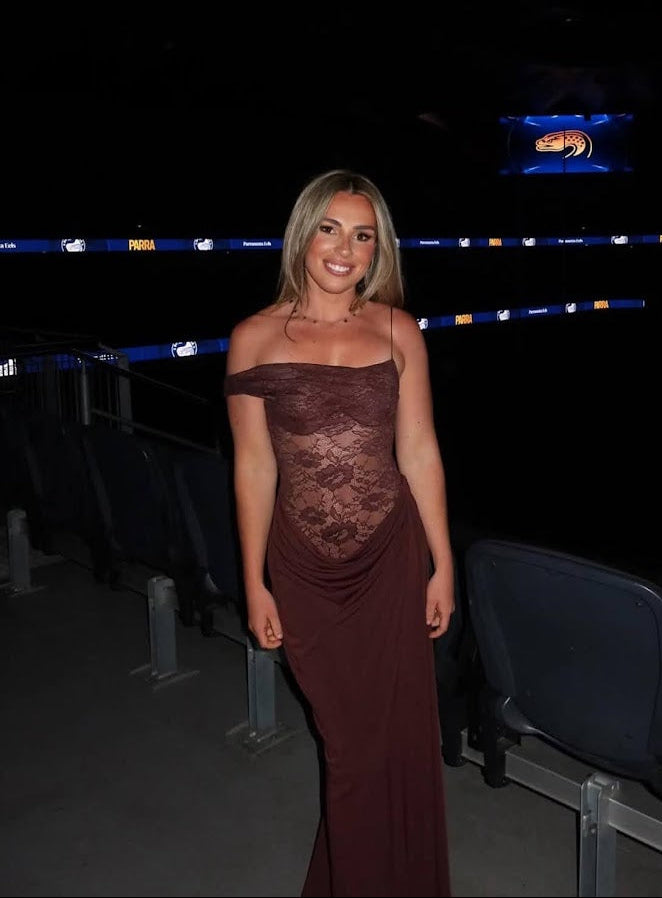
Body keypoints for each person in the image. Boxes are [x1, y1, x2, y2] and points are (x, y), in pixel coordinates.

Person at [224, 169, 455, 897]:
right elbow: (254, 466)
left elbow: (419, 449)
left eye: (362, 236)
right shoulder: (253, 336)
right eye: (329, 229)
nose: (344, 250)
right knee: (349, 746)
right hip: (303, 570)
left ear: (377, 250)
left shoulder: (396, 328)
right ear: (303, 234)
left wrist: (443, 566)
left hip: (391, 558)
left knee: (393, 740)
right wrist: (254, 580)